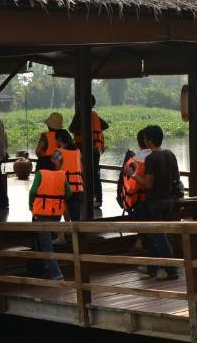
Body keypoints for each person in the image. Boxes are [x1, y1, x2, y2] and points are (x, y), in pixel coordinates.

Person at [122, 125, 180, 280]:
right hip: (168, 201)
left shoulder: (151, 158)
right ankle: (153, 268)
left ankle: (171, 270)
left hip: (154, 202)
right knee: (157, 236)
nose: (145, 141)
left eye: (146, 138)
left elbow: (148, 184)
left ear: (149, 141)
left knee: (159, 237)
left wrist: (132, 174)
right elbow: (177, 177)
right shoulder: (170, 154)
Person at [27, 166, 70, 281]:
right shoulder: (61, 175)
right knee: (46, 241)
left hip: (42, 213)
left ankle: (57, 274)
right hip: (57, 213)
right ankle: (47, 264)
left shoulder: (40, 174)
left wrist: (30, 204)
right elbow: (69, 193)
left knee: (46, 245)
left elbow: (33, 191)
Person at [71, 96, 109, 205]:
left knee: (82, 173)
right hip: (95, 150)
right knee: (95, 174)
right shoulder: (95, 115)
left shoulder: (79, 115)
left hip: (83, 150)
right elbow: (105, 125)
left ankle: (84, 198)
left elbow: (72, 129)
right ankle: (99, 199)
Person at [118, 129, 151, 215]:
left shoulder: (132, 161)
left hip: (136, 203)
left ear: (139, 143)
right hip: (154, 200)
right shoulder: (158, 157)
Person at [53, 129, 84, 221]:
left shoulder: (58, 152)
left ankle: (67, 231)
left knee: (63, 209)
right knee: (75, 214)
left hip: (65, 186)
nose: (55, 142)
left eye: (55, 139)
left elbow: (57, 170)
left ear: (59, 139)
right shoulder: (78, 151)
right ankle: (76, 233)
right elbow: (81, 169)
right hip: (78, 187)